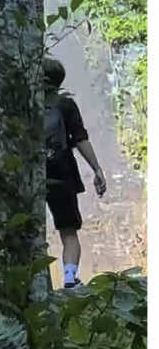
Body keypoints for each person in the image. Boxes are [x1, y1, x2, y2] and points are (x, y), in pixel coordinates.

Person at [43, 57, 107, 288]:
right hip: (62, 171)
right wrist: (97, 169)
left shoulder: (23, 103)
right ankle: (70, 278)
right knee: (68, 232)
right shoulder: (65, 104)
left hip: (31, 173)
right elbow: (80, 138)